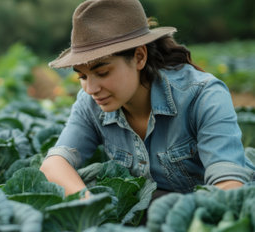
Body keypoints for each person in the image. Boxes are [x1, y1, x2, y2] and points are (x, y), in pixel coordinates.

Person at [39, 0, 255, 197]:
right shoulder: (89, 104)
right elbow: (54, 164)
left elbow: (229, 185)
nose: (90, 88)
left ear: (139, 57)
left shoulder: (204, 96)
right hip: (151, 211)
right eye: (82, 76)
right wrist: (89, 205)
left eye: (103, 72)